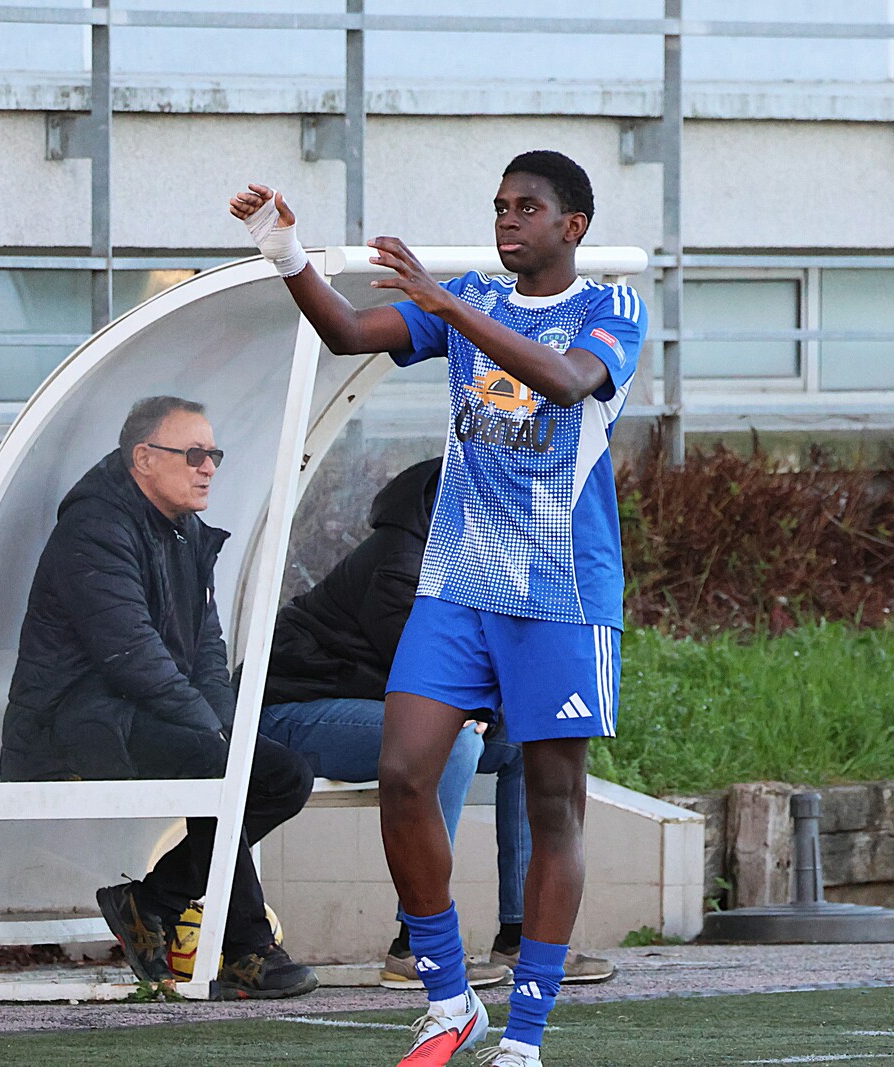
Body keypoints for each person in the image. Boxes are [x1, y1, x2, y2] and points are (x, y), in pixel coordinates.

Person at [231, 149, 647, 1066]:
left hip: (559, 593)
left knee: (553, 805)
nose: (507, 220)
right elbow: (346, 330)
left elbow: (567, 380)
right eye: (499, 205)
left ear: (573, 225)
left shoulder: (611, 307)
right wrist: (284, 249)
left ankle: (525, 1036)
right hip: (457, 583)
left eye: (527, 206)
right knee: (405, 769)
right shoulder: (468, 297)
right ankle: (450, 997)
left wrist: (451, 309)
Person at [0, 395, 319, 1001]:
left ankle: (154, 900)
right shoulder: (95, 528)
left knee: (284, 776)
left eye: (214, 454)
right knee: (215, 760)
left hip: (134, 715)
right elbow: (132, 654)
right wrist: (210, 734)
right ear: (144, 459)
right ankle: (248, 949)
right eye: (194, 454)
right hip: (65, 725)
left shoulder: (186, 531)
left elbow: (207, 651)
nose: (209, 467)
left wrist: (223, 726)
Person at [255, 458, 615, 990]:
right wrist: (478, 711)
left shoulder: (475, 561)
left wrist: (495, 712)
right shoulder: (404, 563)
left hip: (361, 708)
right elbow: (428, 673)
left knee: (525, 744)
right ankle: (415, 946)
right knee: (450, 746)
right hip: (290, 714)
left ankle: (520, 935)